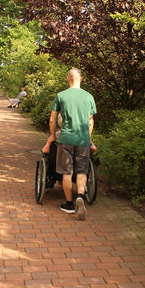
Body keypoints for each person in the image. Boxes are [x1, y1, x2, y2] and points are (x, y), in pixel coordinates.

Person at [49, 68, 96, 220]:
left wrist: (53, 136)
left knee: (67, 173)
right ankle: (80, 195)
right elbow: (90, 121)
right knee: (82, 171)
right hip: (82, 140)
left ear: (67, 79)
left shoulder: (61, 96)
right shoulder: (89, 97)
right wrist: (87, 139)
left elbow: (52, 119)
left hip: (66, 139)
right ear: (81, 79)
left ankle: (69, 204)